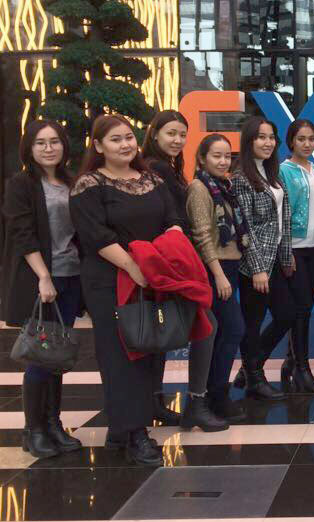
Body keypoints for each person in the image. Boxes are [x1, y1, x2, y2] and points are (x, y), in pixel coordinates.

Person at [69, 115, 188, 465]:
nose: (125, 145)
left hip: (151, 277)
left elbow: (173, 220)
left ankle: (121, 430)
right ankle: (135, 434)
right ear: (98, 146)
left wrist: (167, 252)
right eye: (115, 139)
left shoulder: (151, 179)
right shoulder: (89, 185)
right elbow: (96, 237)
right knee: (120, 355)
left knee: (148, 348)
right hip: (109, 279)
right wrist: (134, 268)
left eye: (128, 138)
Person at [2, 120, 83, 458]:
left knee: (57, 356)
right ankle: (33, 431)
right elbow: (22, 233)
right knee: (40, 355)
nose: (48, 148)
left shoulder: (72, 181)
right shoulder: (21, 184)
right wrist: (44, 276)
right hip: (43, 279)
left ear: (64, 145)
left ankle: (53, 424)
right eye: (40, 143)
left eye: (54, 141)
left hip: (72, 276)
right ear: (29, 148)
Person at [185, 133, 249, 423]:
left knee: (224, 332)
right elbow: (201, 235)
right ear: (202, 158)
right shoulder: (199, 188)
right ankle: (214, 396)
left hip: (230, 267)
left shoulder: (225, 187)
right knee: (232, 330)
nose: (223, 161)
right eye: (216, 156)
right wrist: (219, 275)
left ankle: (214, 394)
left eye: (227, 156)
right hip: (214, 270)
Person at [230, 116, 295, 401]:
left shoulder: (272, 174)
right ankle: (255, 378)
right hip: (254, 265)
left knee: (287, 314)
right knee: (253, 322)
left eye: (271, 137)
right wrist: (257, 268)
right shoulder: (240, 179)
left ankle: (250, 367)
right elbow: (244, 227)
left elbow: (282, 219)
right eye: (261, 137)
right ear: (249, 141)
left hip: (275, 259)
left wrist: (286, 255)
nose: (268, 143)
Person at [266, 119, 314, 393]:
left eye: (311, 139)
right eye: (301, 139)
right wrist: (286, 250)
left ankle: (291, 361)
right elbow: (281, 213)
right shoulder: (283, 170)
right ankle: (302, 368)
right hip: (295, 248)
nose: (307, 144)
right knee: (300, 309)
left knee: (306, 308)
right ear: (291, 141)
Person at [141, 110, 191, 426]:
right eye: (171, 133)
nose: (177, 140)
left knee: (157, 333)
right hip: (161, 258)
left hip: (162, 257)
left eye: (182, 134)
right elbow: (173, 213)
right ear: (155, 133)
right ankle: (150, 401)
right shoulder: (157, 167)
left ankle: (153, 400)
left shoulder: (165, 165)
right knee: (154, 333)